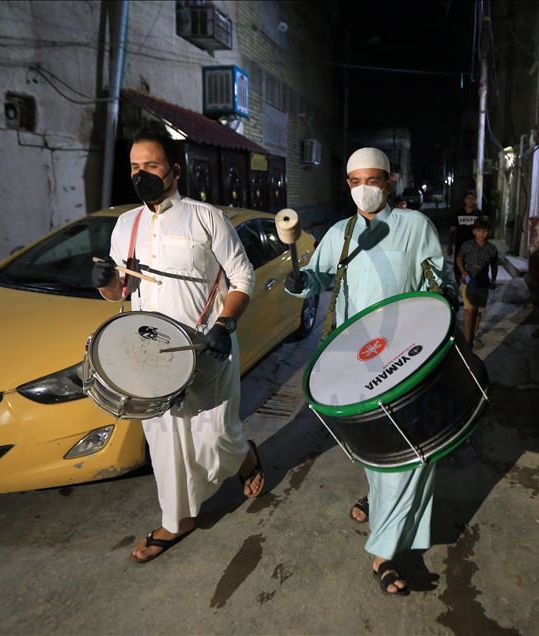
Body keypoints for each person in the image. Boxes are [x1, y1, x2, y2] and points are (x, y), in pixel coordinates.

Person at [91, 128, 264, 564]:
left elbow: (243, 277)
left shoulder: (206, 218)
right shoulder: (125, 227)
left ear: (173, 170)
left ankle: (242, 457)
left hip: (208, 346)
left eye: (150, 165)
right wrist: (108, 283)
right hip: (152, 357)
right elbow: (121, 292)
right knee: (165, 442)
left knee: (216, 437)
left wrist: (226, 323)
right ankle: (177, 520)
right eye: (134, 167)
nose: (141, 174)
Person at [284, 147, 445, 596]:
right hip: (358, 358)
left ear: (389, 182)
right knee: (379, 446)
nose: (364, 189)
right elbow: (317, 277)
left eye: (373, 180)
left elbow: (439, 282)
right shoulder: (339, 233)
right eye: (355, 182)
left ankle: (383, 552)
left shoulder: (415, 227)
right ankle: (379, 501)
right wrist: (302, 283)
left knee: (416, 452)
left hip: (411, 354)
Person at [456, 216, 498, 349]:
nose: (482, 234)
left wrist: (493, 279)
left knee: (478, 313)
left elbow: (494, 265)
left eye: (485, 231)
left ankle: (471, 337)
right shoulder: (467, 245)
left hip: (482, 284)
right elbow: (459, 258)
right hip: (468, 283)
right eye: (479, 231)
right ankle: (466, 343)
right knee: (469, 312)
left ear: (489, 232)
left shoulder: (491, 249)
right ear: (474, 231)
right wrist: (462, 271)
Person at [448, 191, 481, 282]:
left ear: (475, 200)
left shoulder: (478, 214)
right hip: (460, 246)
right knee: (458, 268)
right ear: (464, 200)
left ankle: (469, 290)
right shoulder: (458, 213)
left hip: (474, 247)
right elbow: (452, 230)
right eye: (468, 198)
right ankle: (459, 288)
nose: (470, 200)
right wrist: (450, 245)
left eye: (472, 198)